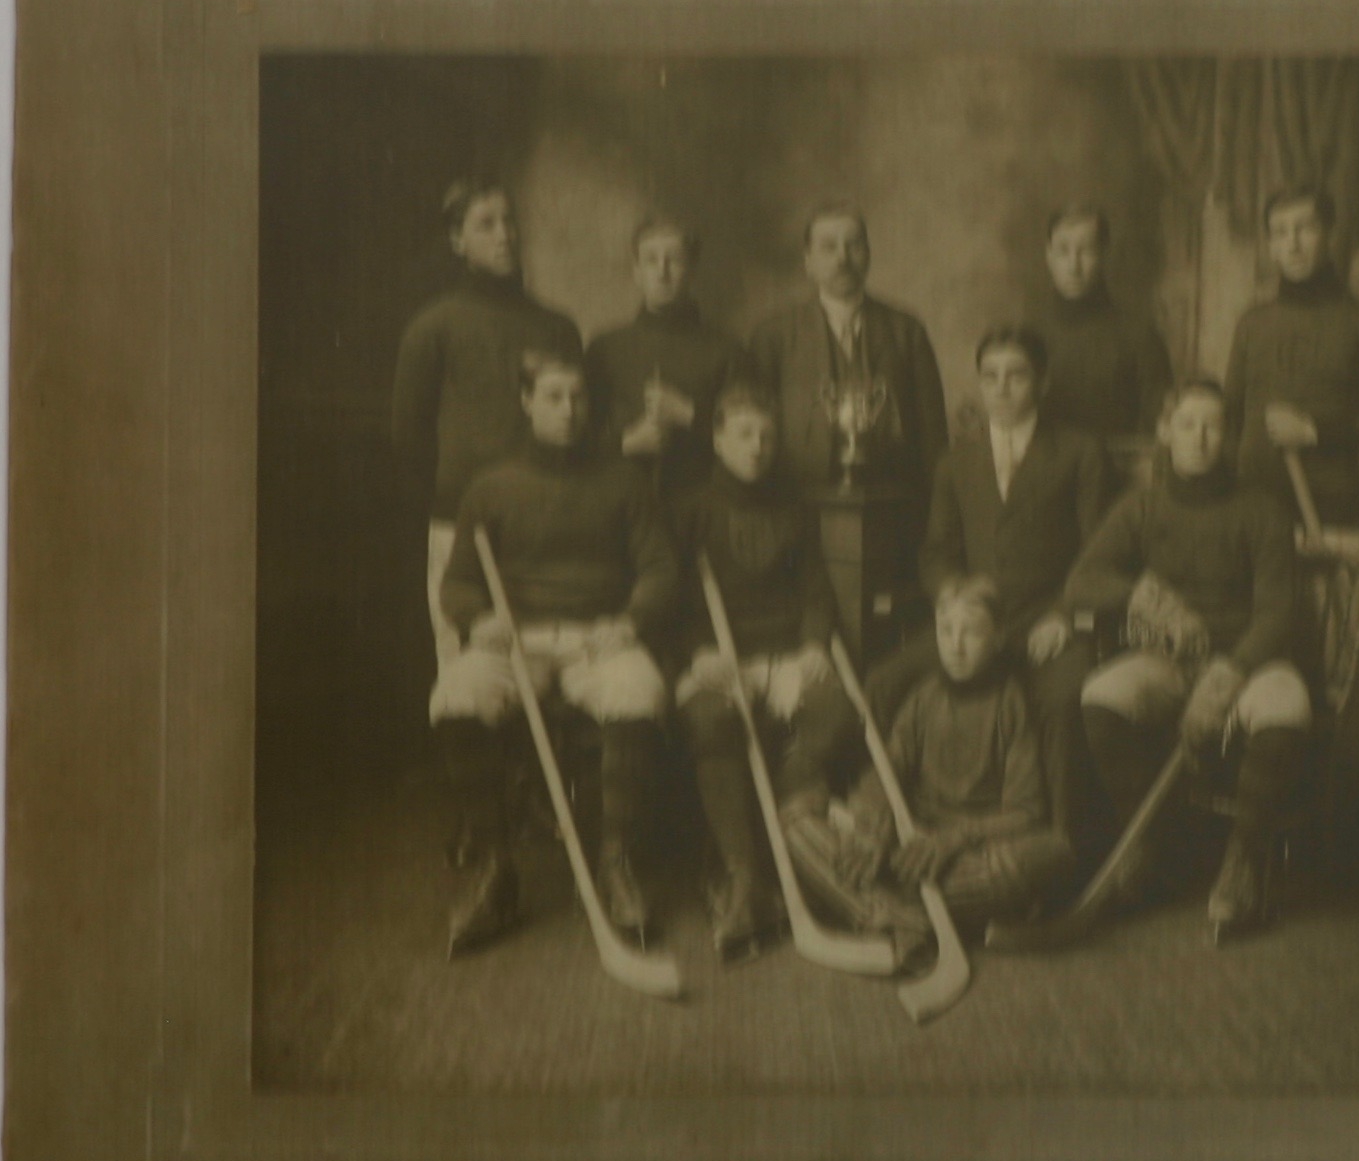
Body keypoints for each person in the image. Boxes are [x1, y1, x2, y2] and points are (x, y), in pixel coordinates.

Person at [434, 349, 677, 953]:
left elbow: (661, 568)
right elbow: (459, 581)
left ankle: (615, 865)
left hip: (599, 636)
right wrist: (479, 618)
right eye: (552, 397)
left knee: (639, 692)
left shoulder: (624, 481)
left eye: (579, 397)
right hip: (519, 640)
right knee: (457, 696)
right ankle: (495, 871)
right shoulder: (491, 486)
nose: (569, 410)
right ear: (526, 402)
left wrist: (630, 621)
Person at [1059, 380, 1314, 935]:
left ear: (1227, 436)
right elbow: (1081, 583)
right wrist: (1145, 598)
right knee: (1101, 697)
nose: (1200, 438)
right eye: (1187, 424)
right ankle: (1153, 846)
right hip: (1171, 658)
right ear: (1164, 432)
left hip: (1249, 659)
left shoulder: (1262, 510)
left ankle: (1243, 864)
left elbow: (1279, 613)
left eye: (1213, 425)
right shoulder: (1142, 506)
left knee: (1286, 708)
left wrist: (1229, 673)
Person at [863, 326, 1113, 874]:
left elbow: (1100, 555)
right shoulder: (956, 462)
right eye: (990, 377)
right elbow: (936, 553)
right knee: (884, 684)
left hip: (1045, 619)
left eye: (1017, 375)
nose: (1002, 388)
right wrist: (950, 595)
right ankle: (889, 829)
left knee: (1063, 698)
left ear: (1041, 383)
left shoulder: (1079, 452)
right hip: (974, 624)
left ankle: (1058, 851)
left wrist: (1067, 618)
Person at [788, 576, 1076, 952]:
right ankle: (908, 914)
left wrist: (956, 838)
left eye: (970, 633)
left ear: (1000, 637)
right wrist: (877, 827)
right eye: (945, 631)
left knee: (1049, 854)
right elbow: (885, 773)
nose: (955, 646)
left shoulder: (1012, 705)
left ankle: (873, 907)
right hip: (910, 845)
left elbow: (1026, 812)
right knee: (795, 816)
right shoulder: (924, 697)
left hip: (963, 855)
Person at [673, 382, 856, 964]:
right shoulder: (690, 509)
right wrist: (698, 653)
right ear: (718, 439)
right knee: (710, 717)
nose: (757, 447)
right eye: (744, 435)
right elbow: (669, 601)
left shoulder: (793, 507)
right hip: (718, 655)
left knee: (832, 709)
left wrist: (813, 644)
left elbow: (817, 590)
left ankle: (794, 855)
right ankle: (742, 872)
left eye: (767, 437)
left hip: (785, 653)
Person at [391, 179, 585, 702]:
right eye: (486, 224)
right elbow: (408, 439)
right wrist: (454, 501)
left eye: (510, 221)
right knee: (470, 671)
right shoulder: (433, 327)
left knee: (543, 661)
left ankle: (533, 781)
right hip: (460, 524)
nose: (504, 235)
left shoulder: (557, 328)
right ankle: (476, 781)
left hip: (544, 522)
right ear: (457, 240)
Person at [1221, 185, 1359, 530]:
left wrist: (1314, 432)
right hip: (1252, 507)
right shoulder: (1252, 322)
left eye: (1305, 228)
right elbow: (1230, 418)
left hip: (1329, 508)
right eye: (1280, 232)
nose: (1293, 244)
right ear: (1270, 245)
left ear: (1329, 233)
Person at [744, 204, 949, 522]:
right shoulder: (773, 336)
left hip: (893, 508)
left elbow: (933, 436)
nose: (843, 259)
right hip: (797, 507)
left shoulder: (906, 331)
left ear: (868, 255)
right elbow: (755, 429)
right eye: (828, 247)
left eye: (853, 245)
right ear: (808, 262)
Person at [585, 215, 747, 507]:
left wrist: (688, 413)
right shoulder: (604, 349)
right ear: (636, 272)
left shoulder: (728, 351)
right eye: (651, 261)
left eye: (674, 260)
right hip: (618, 502)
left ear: (692, 270)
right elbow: (578, 437)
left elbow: (750, 441)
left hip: (703, 504)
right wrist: (626, 443)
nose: (662, 272)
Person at [1026, 204, 1176, 441]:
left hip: (1117, 470)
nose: (1074, 266)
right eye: (1063, 251)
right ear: (1049, 256)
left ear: (1104, 255)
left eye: (1086, 251)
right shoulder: (1029, 335)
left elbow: (1161, 425)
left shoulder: (1139, 335)